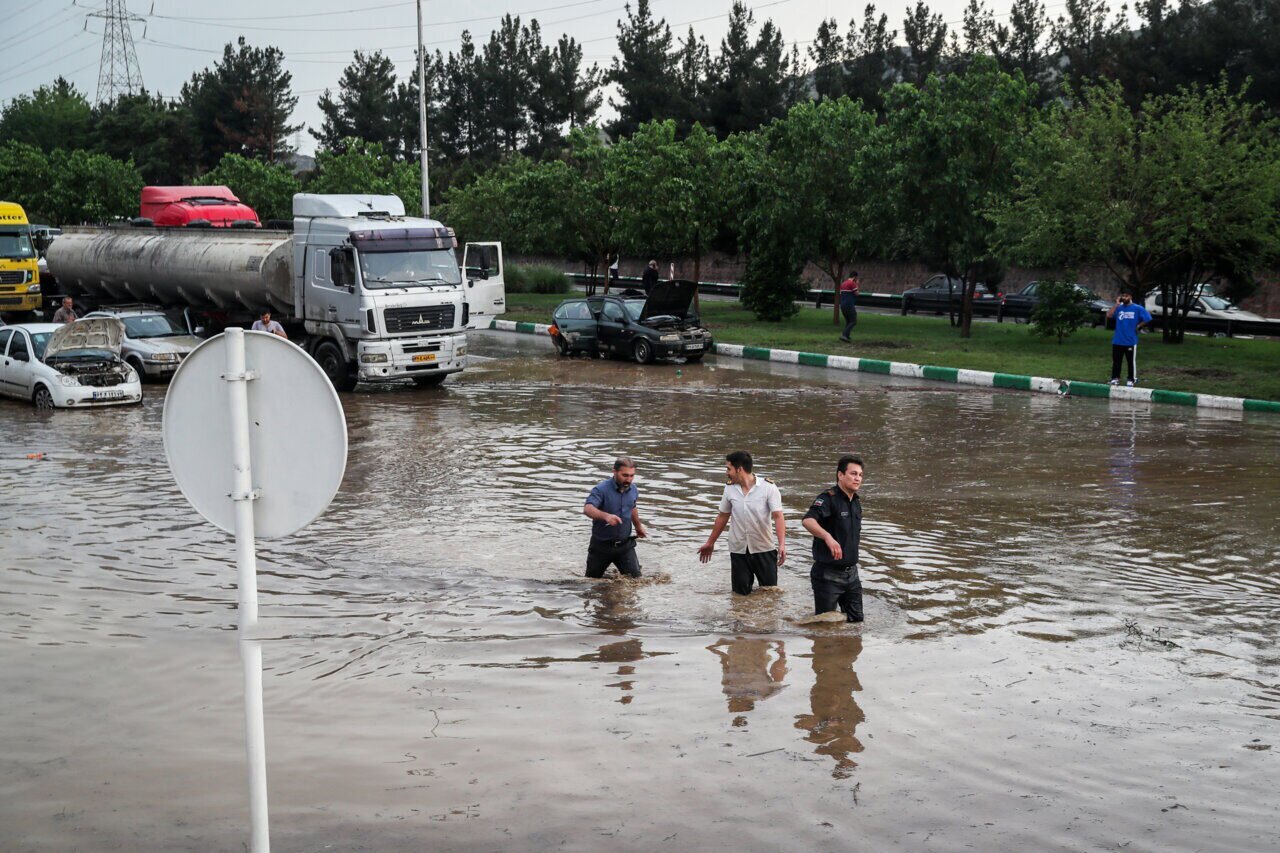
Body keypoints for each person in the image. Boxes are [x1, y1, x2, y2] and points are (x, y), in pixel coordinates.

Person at [697, 450, 786, 595]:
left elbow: (778, 516)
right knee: (739, 597)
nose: (726, 473)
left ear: (739, 469)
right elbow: (722, 516)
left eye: (728, 469)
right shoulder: (729, 488)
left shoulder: (768, 487)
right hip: (739, 550)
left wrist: (782, 544)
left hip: (764, 549)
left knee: (770, 594)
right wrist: (710, 542)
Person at [802, 455, 865, 623]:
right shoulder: (828, 498)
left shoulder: (856, 502)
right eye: (853, 473)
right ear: (840, 475)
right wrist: (827, 536)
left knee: (856, 623)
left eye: (860, 475)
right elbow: (808, 520)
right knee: (825, 627)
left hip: (852, 575)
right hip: (827, 576)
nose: (857, 478)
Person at [583, 457, 648, 579]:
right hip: (601, 546)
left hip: (625, 546)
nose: (628, 479)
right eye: (625, 475)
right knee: (591, 582)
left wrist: (638, 526)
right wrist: (606, 516)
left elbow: (632, 507)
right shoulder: (601, 489)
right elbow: (588, 508)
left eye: (632, 476)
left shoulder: (633, 489)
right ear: (614, 471)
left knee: (636, 581)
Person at [1107, 290, 1151, 386]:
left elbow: (1147, 318)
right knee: (1116, 361)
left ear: (1130, 297)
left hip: (1130, 341)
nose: (1124, 298)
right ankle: (1115, 378)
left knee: (1130, 361)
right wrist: (1116, 304)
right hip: (1117, 340)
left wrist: (1138, 326)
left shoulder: (1137, 308)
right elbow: (1109, 315)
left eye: (1126, 296)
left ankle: (1131, 379)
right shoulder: (1119, 308)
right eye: (1122, 296)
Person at [838, 273, 860, 342]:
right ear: (855, 277)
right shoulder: (852, 283)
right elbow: (857, 293)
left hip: (842, 305)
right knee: (853, 321)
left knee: (848, 321)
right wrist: (857, 284)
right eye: (857, 278)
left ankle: (847, 336)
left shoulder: (843, 283)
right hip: (849, 305)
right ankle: (844, 335)